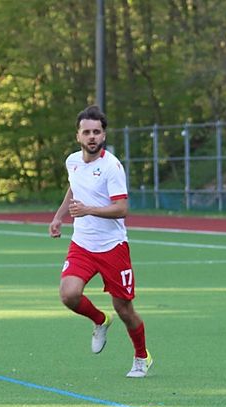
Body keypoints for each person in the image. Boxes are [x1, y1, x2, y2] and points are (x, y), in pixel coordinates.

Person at [49, 105, 152, 378]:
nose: (92, 136)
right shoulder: (72, 161)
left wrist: (88, 210)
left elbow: (122, 208)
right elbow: (74, 187)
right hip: (82, 244)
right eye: (87, 132)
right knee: (68, 295)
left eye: (96, 132)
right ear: (78, 136)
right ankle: (100, 320)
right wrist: (59, 217)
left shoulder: (112, 167)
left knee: (124, 309)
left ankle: (141, 357)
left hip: (112, 247)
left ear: (104, 135)